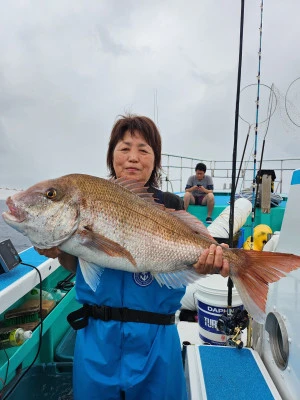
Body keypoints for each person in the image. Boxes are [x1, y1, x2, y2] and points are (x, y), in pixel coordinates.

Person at [35, 115, 229, 400]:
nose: (133, 158)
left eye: (143, 150)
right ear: (112, 155)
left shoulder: (170, 204)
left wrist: (209, 264)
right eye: (124, 148)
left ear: (155, 159)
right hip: (96, 338)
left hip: (156, 340)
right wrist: (58, 250)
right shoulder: (91, 197)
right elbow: (75, 265)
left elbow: (191, 257)